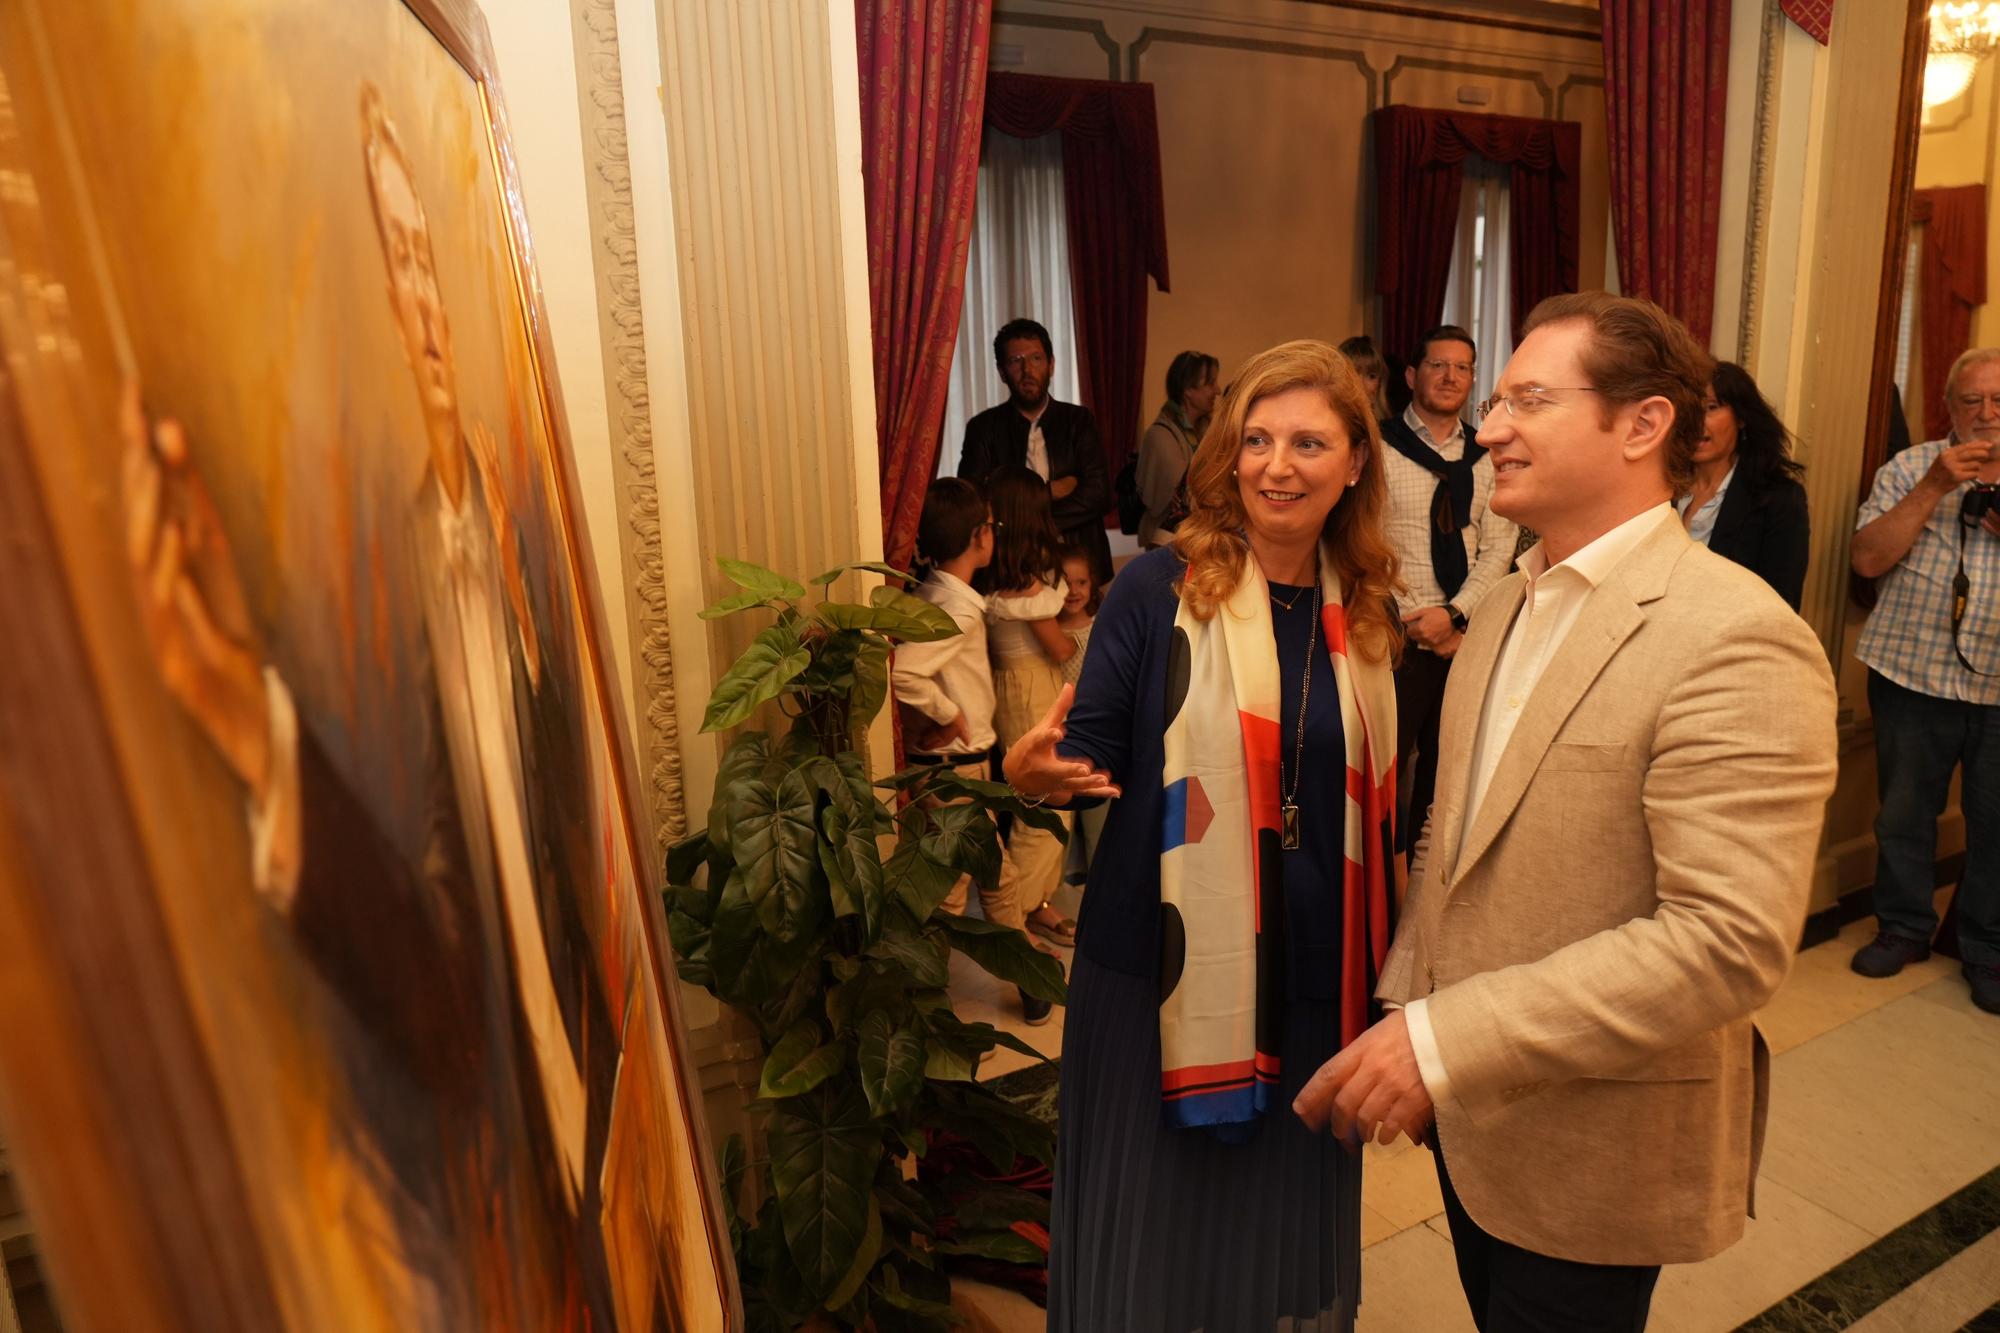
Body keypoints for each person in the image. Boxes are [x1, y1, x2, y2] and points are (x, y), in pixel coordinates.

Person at [1295, 292, 1839, 1330]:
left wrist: (1443, 1041)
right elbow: (1446, 836)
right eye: (1493, 400)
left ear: (1641, 426)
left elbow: (1724, 942)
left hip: (1599, 1139)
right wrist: (1409, 1010)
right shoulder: (1497, 609)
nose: (1489, 427)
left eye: (1527, 400)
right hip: (1473, 1120)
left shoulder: (1732, 636)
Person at [1005, 340, 1401, 1331]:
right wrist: (1025, 773)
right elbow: (1081, 754)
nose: (1276, 464)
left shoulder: (1369, 611)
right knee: (1156, 1255)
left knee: (1265, 1253)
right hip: (1162, 973)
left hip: (1316, 976)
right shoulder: (1159, 587)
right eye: (1254, 438)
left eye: (1308, 441)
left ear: (1354, 460)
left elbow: (1398, 804)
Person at [1848, 346, 2000, 1015]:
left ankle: (1986, 947)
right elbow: (1868, 557)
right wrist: (1936, 486)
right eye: (1972, 400)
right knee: (1903, 817)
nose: (1987, 414)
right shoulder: (1910, 467)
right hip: (1913, 673)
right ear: (1949, 407)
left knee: (1995, 827)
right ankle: (1904, 926)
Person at [889, 477, 1053, 1024]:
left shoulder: (943, 596)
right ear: (981, 536)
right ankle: (919, 1007)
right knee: (955, 890)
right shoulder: (953, 611)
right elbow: (908, 674)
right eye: (992, 526)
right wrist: (950, 715)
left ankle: (1028, 982)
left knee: (992, 880)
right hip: (954, 772)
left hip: (960, 771)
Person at [1379, 325, 1518, 867]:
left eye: (1462, 368)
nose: (1450, 377)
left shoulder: (1488, 456)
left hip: (1465, 638)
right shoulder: (1382, 448)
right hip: (1394, 633)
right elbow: (1372, 542)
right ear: (1413, 375)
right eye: (1438, 365)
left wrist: (1455, 616)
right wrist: (1418, 617)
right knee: (1385, 769)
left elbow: (1499, 547)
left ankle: (1424, 879)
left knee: (1448, 769)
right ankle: (1378, 888)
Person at [983, 467, 1081, 952]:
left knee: (1034, 802)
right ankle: (1016, 912)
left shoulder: (997, 580)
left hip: (1009, 691)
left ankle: (1036, 905)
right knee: (1047, 806)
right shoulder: (1031, 597)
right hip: (1032, 692)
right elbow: (1060, 649)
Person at [959, 318, 1113, 583]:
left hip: (1080, 565)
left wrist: (1025, 518)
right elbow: (974, 502)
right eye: (1016, 360)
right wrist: (1048, 491)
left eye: (1036, 359)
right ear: (1002, 371)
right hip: (1010, 569)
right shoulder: (983, 428)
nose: (1027, 370)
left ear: (1051, 365)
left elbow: (1099, 495)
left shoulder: (1079, 421)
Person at [1676, 360, 1811, 609]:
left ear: (1742, 418)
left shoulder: (1778, 499)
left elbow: (1780, 606)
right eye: (1688, 409)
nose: (1695, 422)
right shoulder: (1661, 488)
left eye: (1711, 408)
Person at [1055, 544, 1106, 888]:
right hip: (1059, 729)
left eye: (1081, 583)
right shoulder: (1049, 631)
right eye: (1065, 582)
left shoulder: (1100, 627)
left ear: (1092, 585)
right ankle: (1059, 882)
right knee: (1061, 816)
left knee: (1095, 810)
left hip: (1092, 728)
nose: (1073, 591)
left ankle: (1098, 874)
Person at [1136, 350, 1221, 548]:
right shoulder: (1160, 437)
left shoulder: (1205, 431)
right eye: (1210, 383)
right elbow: (1190, 493)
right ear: (1188, 390)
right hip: (1169, 545)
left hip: (1197, 539)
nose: (1217, 390)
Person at [1338, 334, 1390, 420]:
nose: (1361, 384)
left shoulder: (1388, 430)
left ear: (1379, 384)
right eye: (1354, 373)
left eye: (1371, 376)